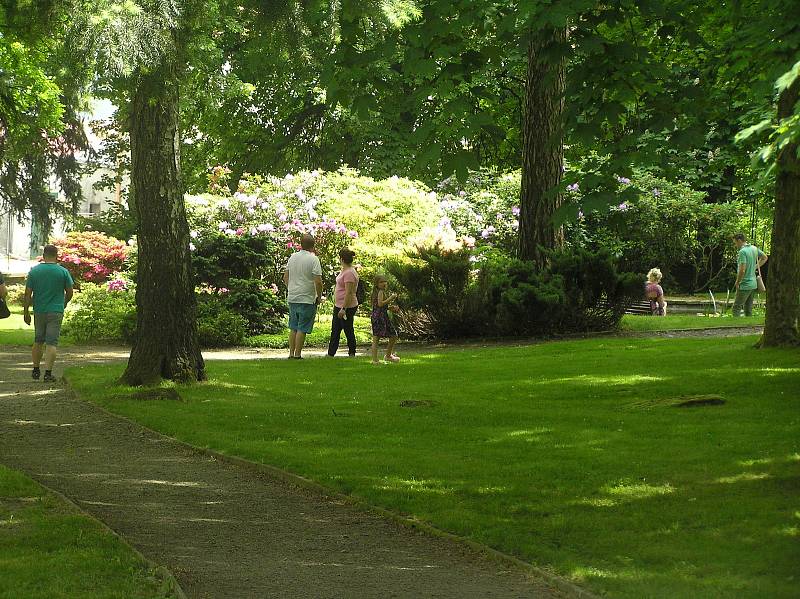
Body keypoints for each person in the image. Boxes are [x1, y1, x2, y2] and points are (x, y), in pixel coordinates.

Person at [23, 244, 74, 382]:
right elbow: (70, 292)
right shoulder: (63, 272)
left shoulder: (34, 271)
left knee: (38, 340)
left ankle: (35, 369)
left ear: (44, 256)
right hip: (56, 310)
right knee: (51, 343)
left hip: (39, 310)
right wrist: (64, 303)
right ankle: (48, 373)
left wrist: (26, 311)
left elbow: (28, 293)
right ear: (56, 256)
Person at [283, 233, 323, 359]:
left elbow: (285, 277)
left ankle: (290, 353)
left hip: (293, 296)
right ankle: (298, 354)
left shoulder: (293, 257)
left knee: (293, 327)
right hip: (307, 297)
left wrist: (290, 288)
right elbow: (318, 281)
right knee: (302, 327)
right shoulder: (313, 259)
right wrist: (319, 295)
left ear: (301, 244)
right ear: (313, 246)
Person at [327, 247, 359, 357]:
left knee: (348, 329)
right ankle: (331, 353)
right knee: (335, 329)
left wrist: (343, 309)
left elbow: (349, 292)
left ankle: (352, 352)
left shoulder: (349, 273)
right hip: (338, 305)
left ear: (341, 259)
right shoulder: (344, 270)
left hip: (347, 306)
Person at [732, 233, 768, 317]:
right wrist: (755, 267)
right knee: (748, 308)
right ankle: (749, 326)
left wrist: (737, 282)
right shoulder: (754, 248)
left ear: (739, 240)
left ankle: (735, 326)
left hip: (745, 283)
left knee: (736, 308)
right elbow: (764, 257)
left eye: (735, 243)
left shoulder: (742, 252)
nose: (735, 245)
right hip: (753, 283)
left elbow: (742, 270)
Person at [370, 274, 400, 364]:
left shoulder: (381, 292)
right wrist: (391, 298)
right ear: (377, 284)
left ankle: (388, 356)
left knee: (393, 335)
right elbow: (380, 304)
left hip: (382, 316)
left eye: (385, 281)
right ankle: (375, 359)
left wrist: (391, 308)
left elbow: (382, 306)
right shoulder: (380, 292)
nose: (384, 283)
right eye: (381, 282)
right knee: (377, 338)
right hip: (379, 318)